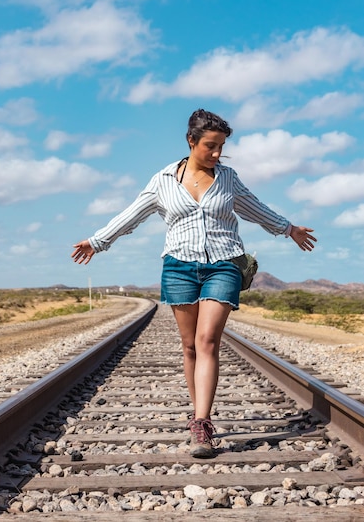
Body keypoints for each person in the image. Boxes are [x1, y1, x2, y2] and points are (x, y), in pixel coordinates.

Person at [72, 109, 317, 458]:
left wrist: (288, 228)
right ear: (191, 141)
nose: (217, 154)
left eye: (221, 148)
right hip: (179, 267)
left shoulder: (228, 178)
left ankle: (202, 423)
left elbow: (255, 209)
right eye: (210, 147)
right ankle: (197, 415)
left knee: (207, 340)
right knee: (190, 346)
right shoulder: (162, 181)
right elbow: (131, 215)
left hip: (224, 264)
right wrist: (97, 241)